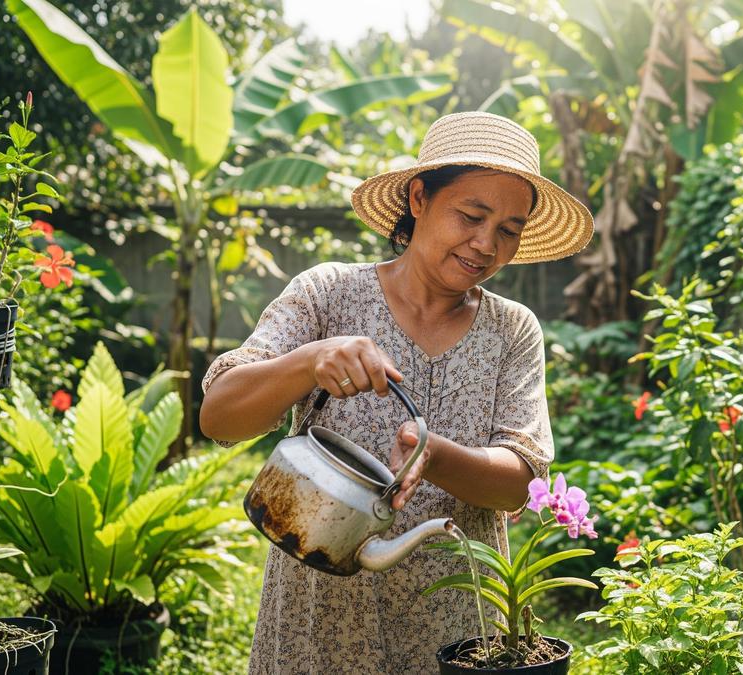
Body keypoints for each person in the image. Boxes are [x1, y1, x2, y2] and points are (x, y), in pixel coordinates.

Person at [199, 111, 595, 674]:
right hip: (318, 616)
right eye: (472, 215)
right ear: (417, 198)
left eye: (509, 229)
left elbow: (518, 480)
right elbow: (219, 417)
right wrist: (309, 362)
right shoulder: (327, 294)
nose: (486, 244)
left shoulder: (513, 330)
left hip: (458, 628)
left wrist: (433, 454)